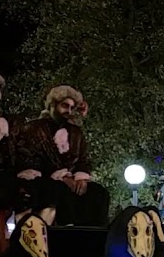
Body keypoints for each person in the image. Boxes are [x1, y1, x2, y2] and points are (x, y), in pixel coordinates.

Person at [14, 85, 110, 226]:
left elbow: (83, 160)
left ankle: (93, 236)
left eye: (72, 107)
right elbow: (27, 160)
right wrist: (61, 177)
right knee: (60, 191)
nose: (69, 111)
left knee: (99, 193)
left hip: (71, 180)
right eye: (65, 106)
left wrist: (81, 178)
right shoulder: (33, 129)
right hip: (41, 180)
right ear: (53, 104)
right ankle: (65, 233)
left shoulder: (76, 133)